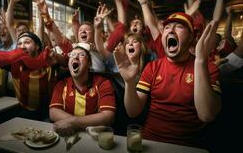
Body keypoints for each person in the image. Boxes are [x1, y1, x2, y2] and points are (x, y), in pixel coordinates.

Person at [114, 12, 221, 147]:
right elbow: (133, 111)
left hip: (188, 146)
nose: (171, 30)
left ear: (191, 37)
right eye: (167, 27)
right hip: (150, 141)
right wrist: (129, 82)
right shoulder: (153, 67)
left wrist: (200, 60)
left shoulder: (209, 68)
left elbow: (207, 115)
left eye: (178, 27)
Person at [49, 45, 116, 136]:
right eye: (72, 55)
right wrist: (77, 123)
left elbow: (108, 116)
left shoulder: (102, 83)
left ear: (89, 64)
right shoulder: (62, 84)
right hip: (68, 133)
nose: (75, 57)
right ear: (68, 63)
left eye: (81, 55)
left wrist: (73, 122)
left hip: (94, 137)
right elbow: (53, 112)